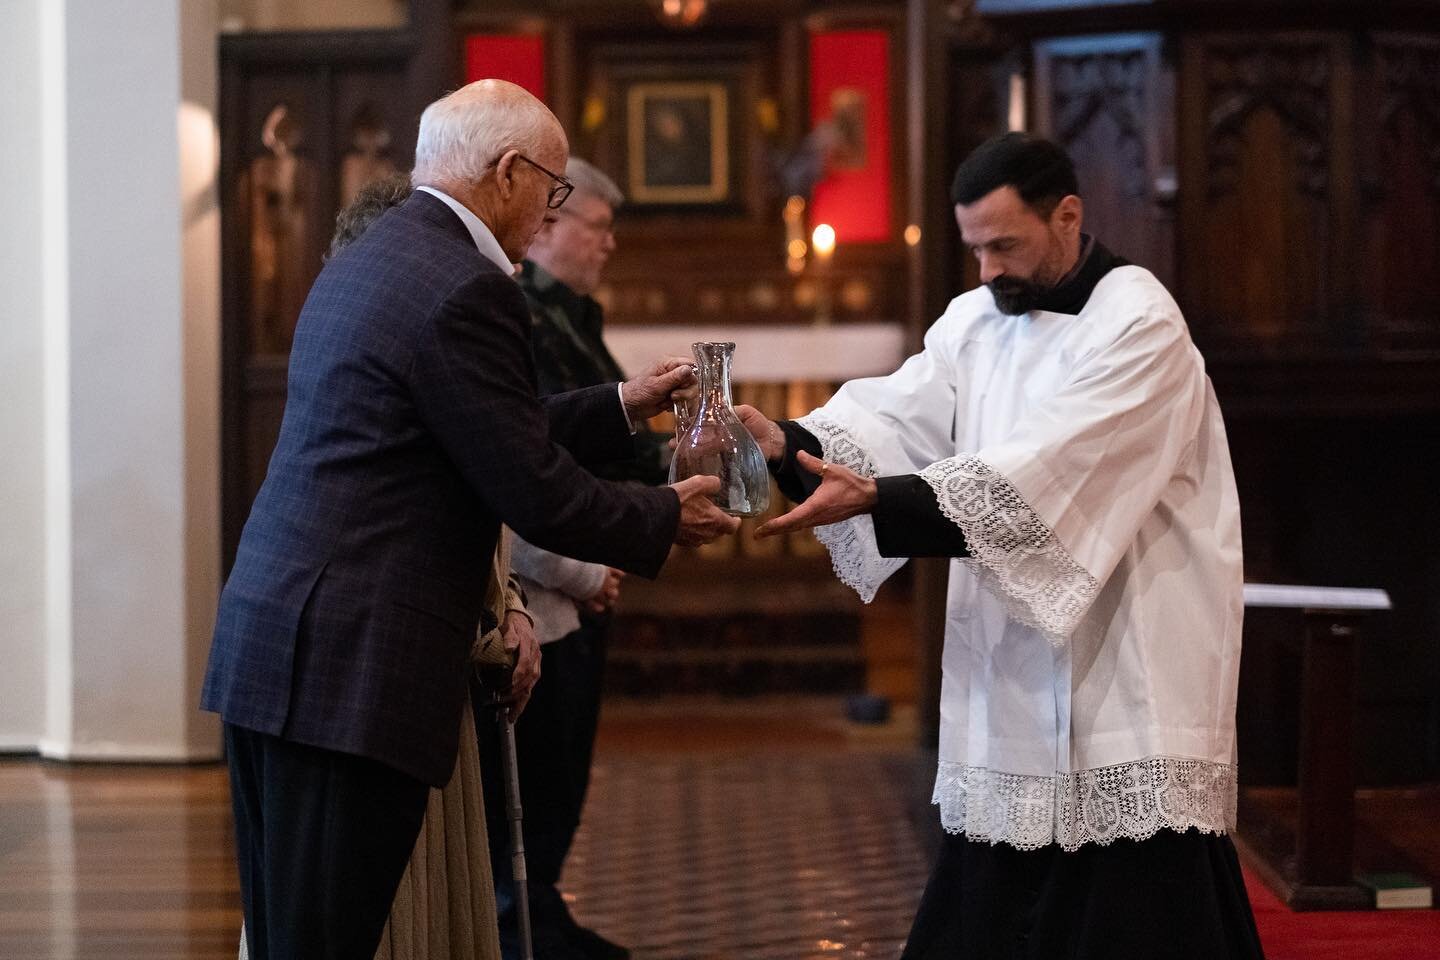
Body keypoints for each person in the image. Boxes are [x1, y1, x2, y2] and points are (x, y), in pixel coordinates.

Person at [203, 79, 739, 960]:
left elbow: (462, 424)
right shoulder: (468, 287)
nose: (550, 211)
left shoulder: (379, 254)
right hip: (350, 665)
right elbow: (528, 486)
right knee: (323, 937)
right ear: (509, 172)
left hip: (283, 645)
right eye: (554, 190)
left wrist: (617, 403)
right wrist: (659, 516)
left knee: (293, 930)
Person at [736, 133, 1265, 959]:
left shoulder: (1139, 320)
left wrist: (886, 498)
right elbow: (897, 413)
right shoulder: (977, 320)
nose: (986, 270)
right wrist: (789, 445)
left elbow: (1059, 467)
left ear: (1068, 216)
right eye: (975, 247)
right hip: (1014, 678)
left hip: (1126, 663)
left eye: (1004, 245)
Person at [479, 159, 665, 960]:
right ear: (548, 225)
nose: (610, 245)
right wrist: (589, 564)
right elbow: (531, 462)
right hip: (547, 576)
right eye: (598, 227)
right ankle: (522, 922)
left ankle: (541, 908)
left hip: (589, 564)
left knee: (564, 768)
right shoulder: (516, 312)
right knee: (535, 768)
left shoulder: (572, 316)